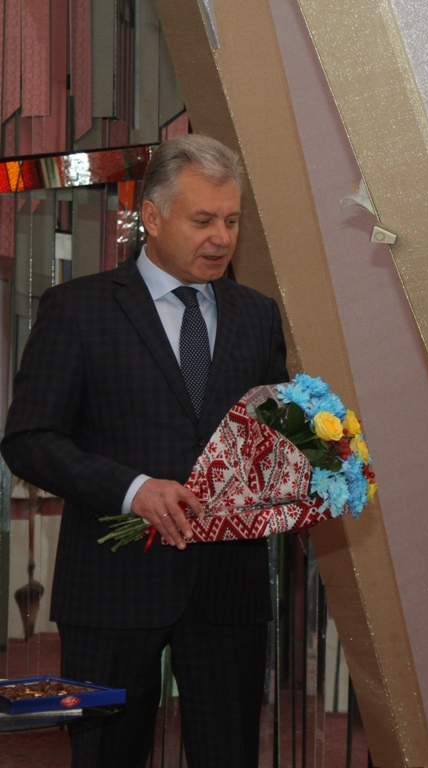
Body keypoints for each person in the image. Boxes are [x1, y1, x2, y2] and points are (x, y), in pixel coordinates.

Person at [1, 134, 288, 768]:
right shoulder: (78, 309)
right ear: (153, 218)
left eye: (231, 221)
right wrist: (132, 490)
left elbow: (268, 440)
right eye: (203, 220)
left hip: (227, 593)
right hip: (112, 591)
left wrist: (311, 469)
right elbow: (30, 440)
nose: (220, 238)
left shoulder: (258, 316)